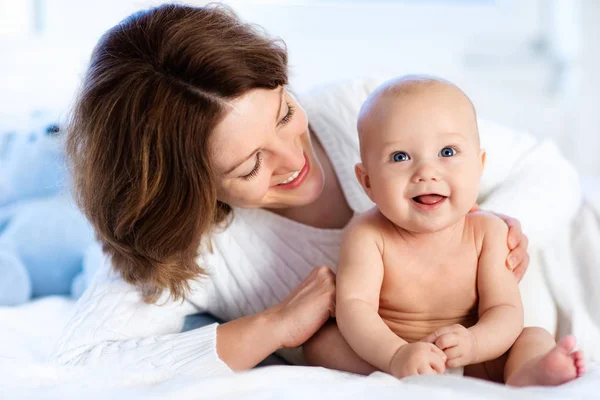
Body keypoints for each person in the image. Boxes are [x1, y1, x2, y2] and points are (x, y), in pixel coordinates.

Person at [50, 4, 580, 377]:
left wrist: (494, 235)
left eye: (284, 113)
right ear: (190, 192)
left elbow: (549, 169)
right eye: (252, 163)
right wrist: (273, 328)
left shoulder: (364, 110)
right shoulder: (196, 248)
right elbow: (82, 363)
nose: (293, 159)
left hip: (522, 319)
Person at [328, 76, 584, 385]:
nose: (426, 172)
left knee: (534, 336)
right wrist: (396, 354)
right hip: (392, 354)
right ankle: (402, 374)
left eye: (447, 152)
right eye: (400, 157)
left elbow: (504, 310)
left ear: (480, 166)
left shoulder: (487, 232)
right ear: (367, 181)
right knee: (324, 342)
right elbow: (356, 309)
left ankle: (526, 375)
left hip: (476, 357)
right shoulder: (367, 234)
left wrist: (475, 343)